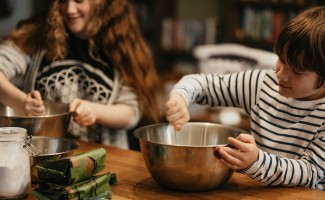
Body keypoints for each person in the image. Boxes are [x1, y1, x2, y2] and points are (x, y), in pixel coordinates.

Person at [165, 6, 325, 190]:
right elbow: (203, 84)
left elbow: (310, 172)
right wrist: (180, 97)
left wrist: (256, 161)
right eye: (281, 59)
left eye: (297, 71)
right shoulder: (262, 83)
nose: (281, 75)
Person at [0, 0, 162, 149]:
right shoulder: (36, 38)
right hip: (38, 152)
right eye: (63, 0)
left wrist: (95, 111)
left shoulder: (121, 46)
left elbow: (131, 112)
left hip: (101, 158)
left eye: (79, 0)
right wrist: (21, 103)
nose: (69, 9)